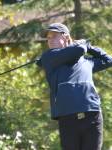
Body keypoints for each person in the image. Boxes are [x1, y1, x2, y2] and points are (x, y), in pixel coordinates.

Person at [36, 22, 112, 150]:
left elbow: (108, 60)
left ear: (66, 37)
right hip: (68, 118)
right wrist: (83, 45)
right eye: (48, 38)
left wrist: (90, 46)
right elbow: (79, 50)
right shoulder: (49, 57)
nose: (50, 40)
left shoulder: (86, 62)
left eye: (54, 36)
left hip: (92, 115)